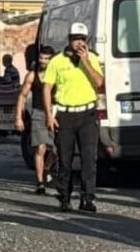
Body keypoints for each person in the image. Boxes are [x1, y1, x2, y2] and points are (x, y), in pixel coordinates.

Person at [43, 23, 104, 213]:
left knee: (89, 159)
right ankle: (65, 196)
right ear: (69, 39)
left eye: (82, 39)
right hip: (65, 115)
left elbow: (100, 83)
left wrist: (85, 61)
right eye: (75, 39)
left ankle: (87, 198)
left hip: (87, 114)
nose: (79, 43)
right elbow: (47, 88)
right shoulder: (57, 61)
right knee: (65, 159)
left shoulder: (92, 58)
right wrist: (48, 115)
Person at [16, 46, 57, 194]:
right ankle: (40, 182)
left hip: (57, 113)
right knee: (40, 148)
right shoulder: (32, 75)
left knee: (57, 150)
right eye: (41, 58)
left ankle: (46, 169)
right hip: (39, 113)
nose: (43, 61)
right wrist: (18, 118)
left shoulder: (58, 74)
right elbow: (22, 95)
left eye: (46, 58)